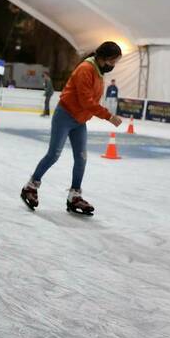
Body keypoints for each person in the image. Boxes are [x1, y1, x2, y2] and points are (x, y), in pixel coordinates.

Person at [21, 41, 123, 216]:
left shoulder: (98, 71)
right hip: (65, 116)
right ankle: (30, 186)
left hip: (79, 120)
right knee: (54, 154)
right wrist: (109, 116)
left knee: (81, 158)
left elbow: (89, 102)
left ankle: (74, 195)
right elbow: (86, 101)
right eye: (113, 61)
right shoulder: (86, 69)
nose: (113, 65)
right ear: (103, 57)